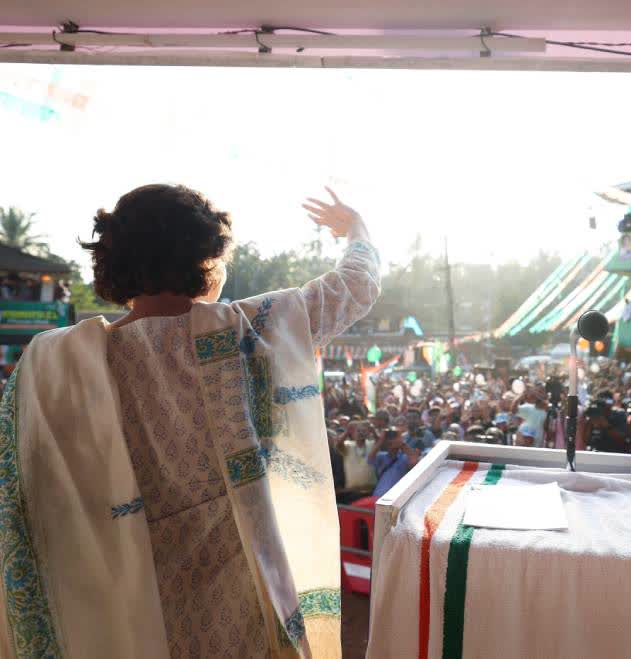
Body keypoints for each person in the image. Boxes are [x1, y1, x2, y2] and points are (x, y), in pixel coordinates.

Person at [0, 184, 381, 656]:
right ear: (207, 255)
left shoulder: (59, 362)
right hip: (247, 608)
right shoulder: (252, 330)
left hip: (132, 608)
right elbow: (357, 284)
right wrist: (355, 226)